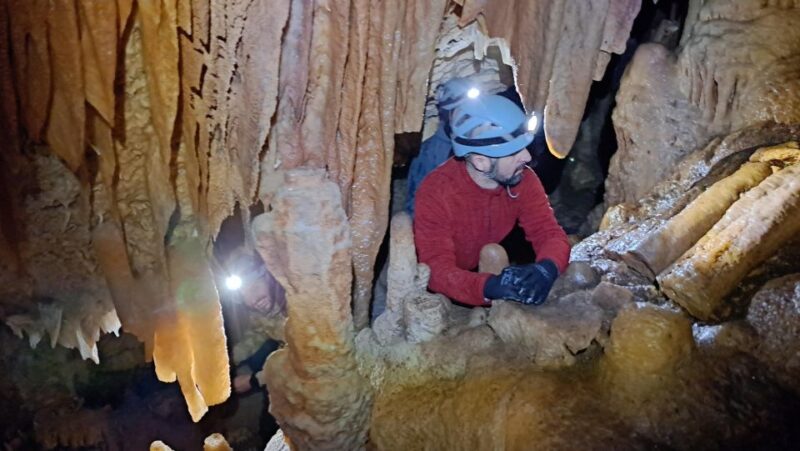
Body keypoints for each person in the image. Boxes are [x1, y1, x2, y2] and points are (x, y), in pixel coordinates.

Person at [413, 94, 570, 306]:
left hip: (482, 262)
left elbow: (549, 232)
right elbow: (435, 268)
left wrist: (546, 268)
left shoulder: (523, 180)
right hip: (442, 291)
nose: (526, 157)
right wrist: (487, 287)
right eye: (513, 151)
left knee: (492, 254)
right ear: (481, 162)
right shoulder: (436, 193)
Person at [406, 77, 479, 217]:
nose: (468, 120)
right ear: (447, 114)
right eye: (462, 113)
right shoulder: (427, 153)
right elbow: (416, 203)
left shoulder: (482, 147)